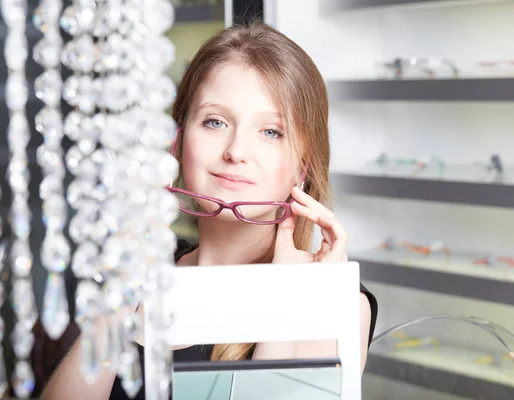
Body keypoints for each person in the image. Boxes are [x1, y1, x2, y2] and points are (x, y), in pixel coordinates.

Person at [41, 20, 378, 400]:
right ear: (179, 140)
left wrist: (290, 296)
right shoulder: (145, 271)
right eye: (215, 122)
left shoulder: (335, 299)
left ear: (302, 165)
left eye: (271, 131)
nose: (236, 151)